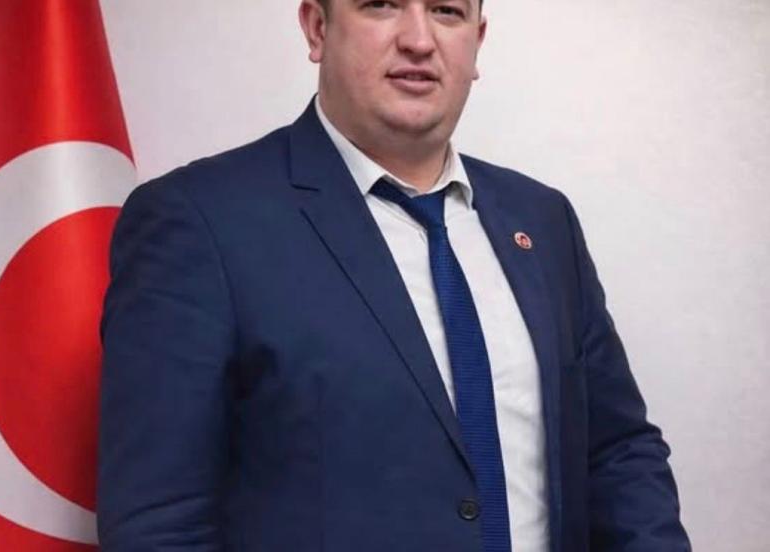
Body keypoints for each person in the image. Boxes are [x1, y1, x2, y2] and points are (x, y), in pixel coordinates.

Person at [97, 1, 691, 550]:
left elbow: (617, 450)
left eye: (447, 11)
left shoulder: (542, 220)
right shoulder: (199, 221)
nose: (419, 40)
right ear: (317, 28)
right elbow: (161, 521)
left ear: (477, 41)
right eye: (381, 4)